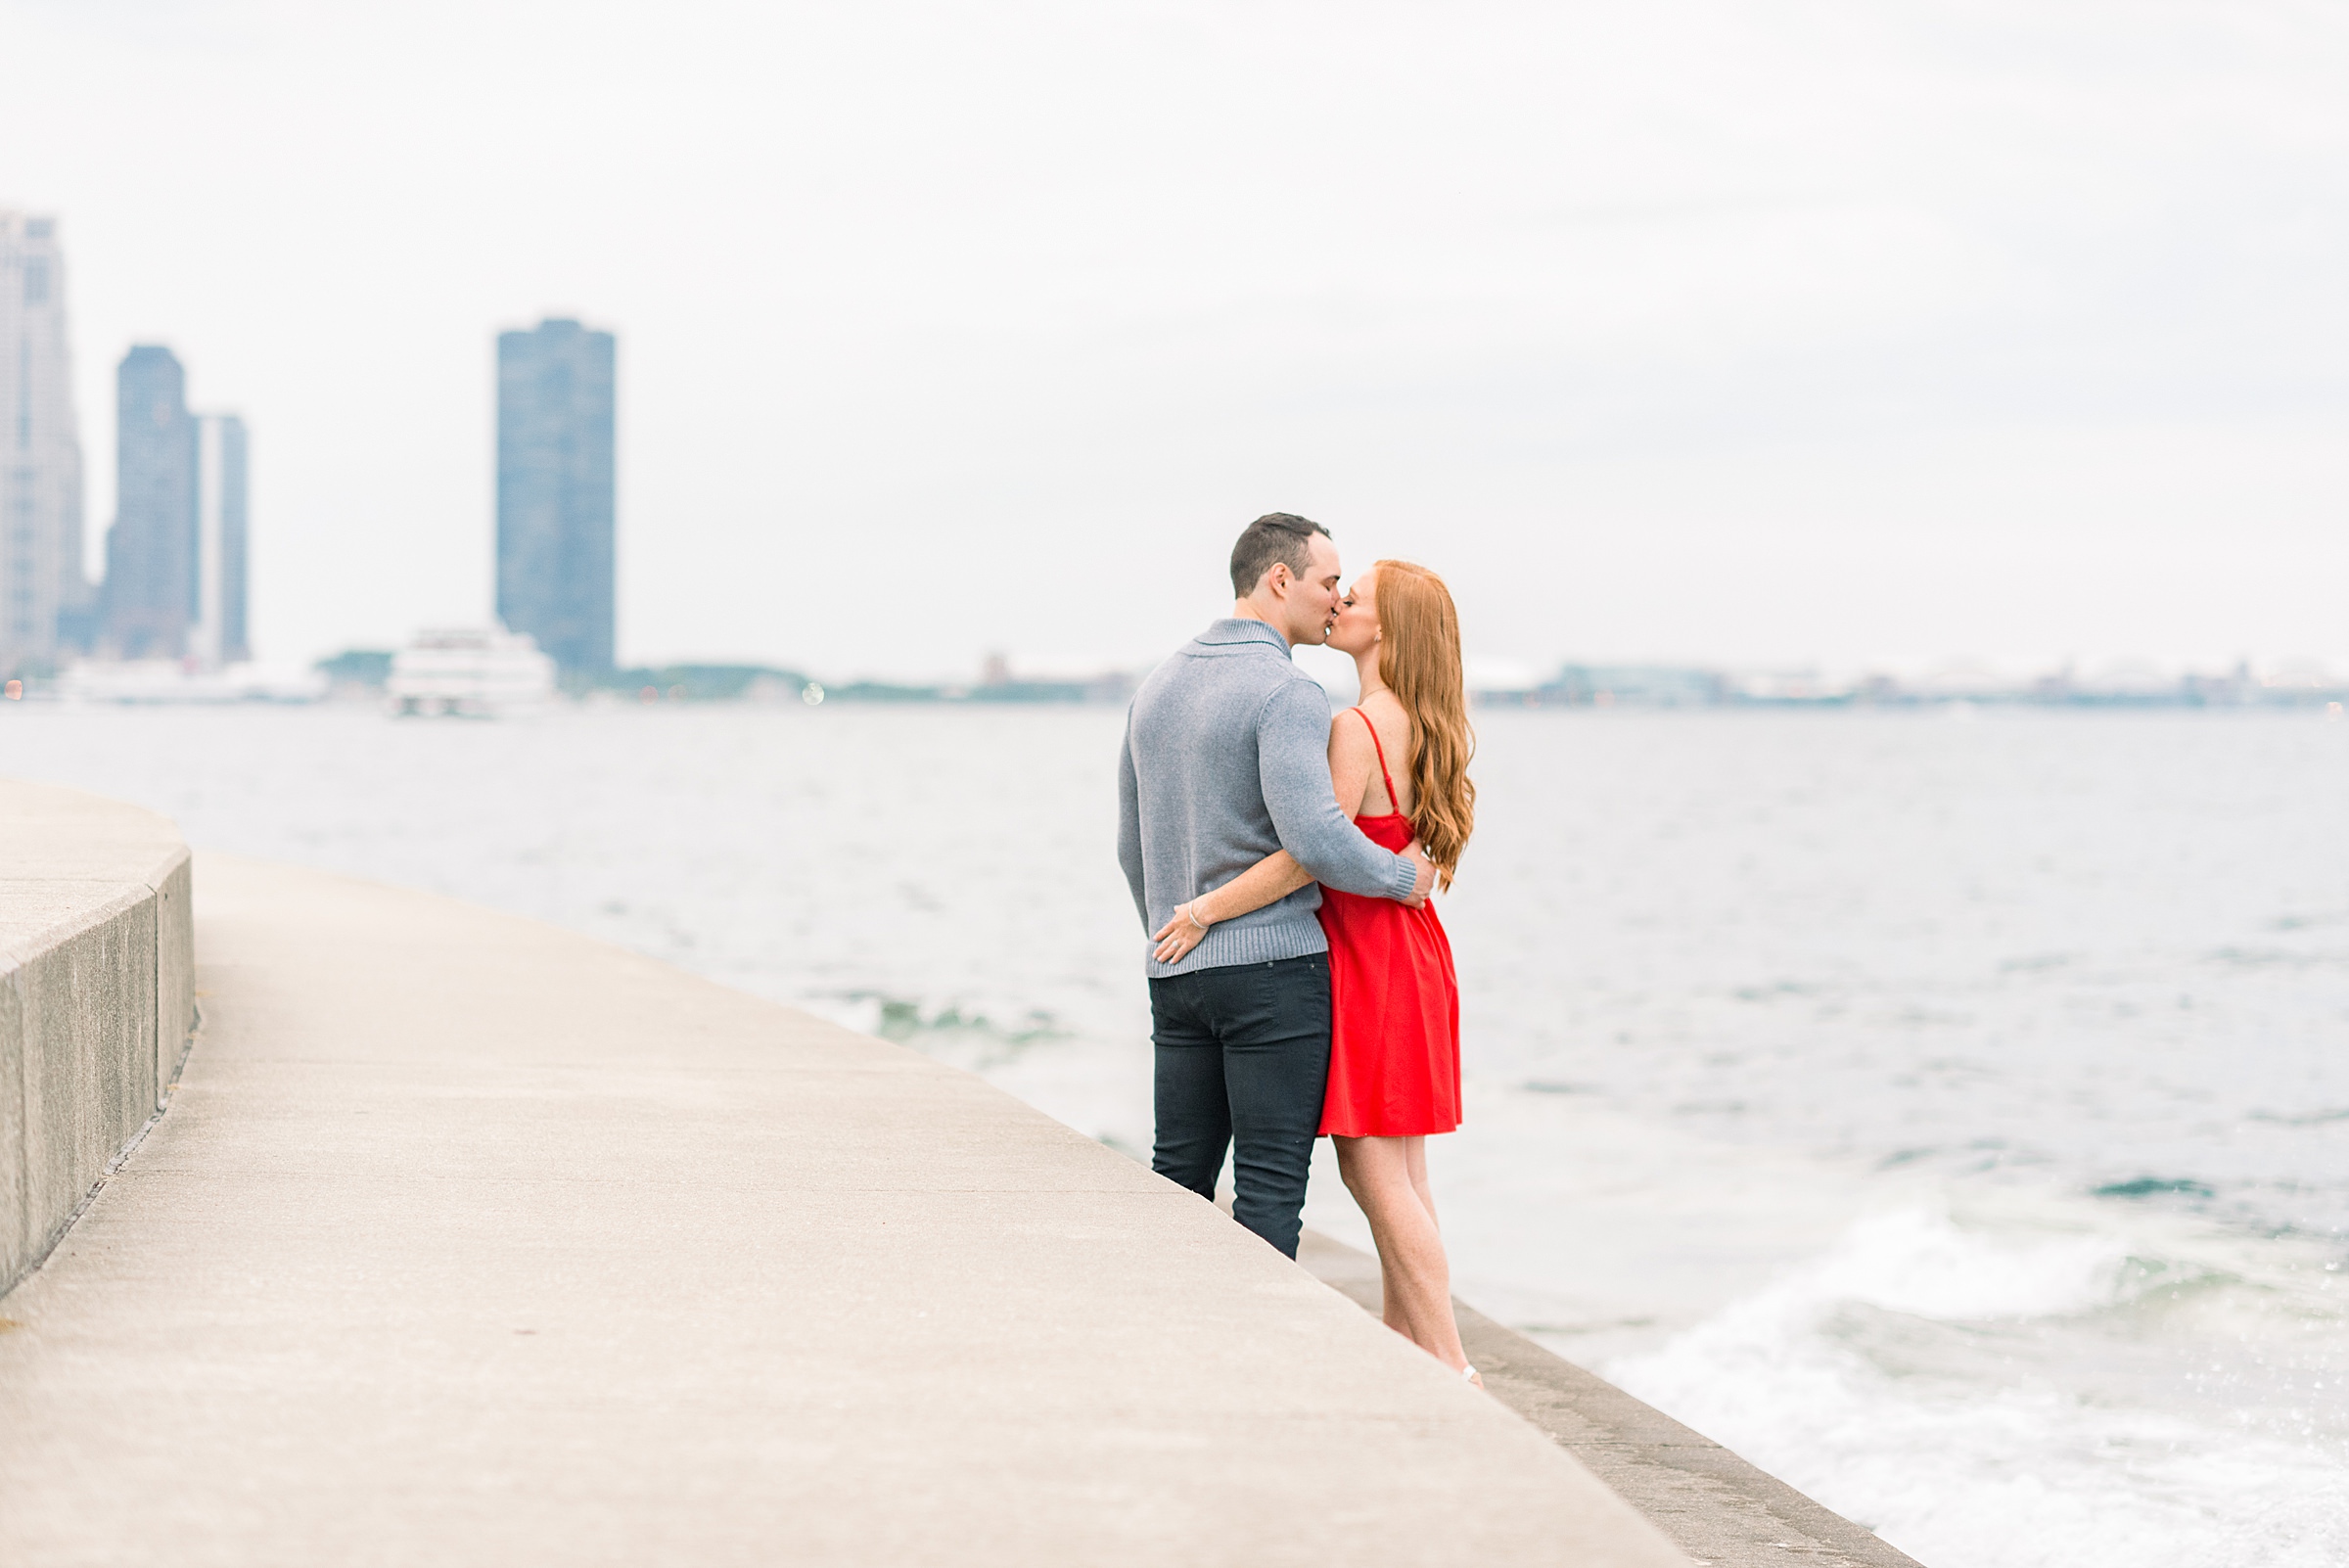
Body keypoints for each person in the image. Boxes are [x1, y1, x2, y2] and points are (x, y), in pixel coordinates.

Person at [1148, 561, 1478, 1384]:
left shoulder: (1357, 728)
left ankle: (1449, 1363)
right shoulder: (1432, 724)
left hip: (1370, 954)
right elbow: (1420, 850)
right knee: (1407, 1170)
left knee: (1371, 1166)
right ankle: (1409, 1344)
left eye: (1354, 598)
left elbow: (1308, 854)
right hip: (1417, 948)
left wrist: (1204, 910)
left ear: (1388, 631)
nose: (1338, 603)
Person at [1117, 515, 1434, 1261]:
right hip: (1272, 977)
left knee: (1177, 1177)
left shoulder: (1156, 687)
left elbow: (1131, 845)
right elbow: (1316, 837)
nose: (1335, 600)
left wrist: (1168, 934)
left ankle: (1164, 1334)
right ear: (1279, 580)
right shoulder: (1287, 692)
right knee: (1268, 1187)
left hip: (1177, 970)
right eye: (1329, 583)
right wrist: (1399, 877)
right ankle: (1255, 1365)